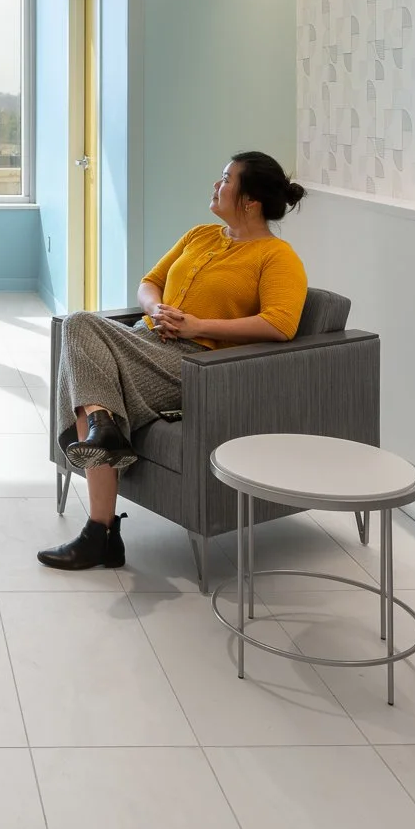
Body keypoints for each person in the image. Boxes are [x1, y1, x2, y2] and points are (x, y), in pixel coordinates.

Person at [38, 151, 309, 571]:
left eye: (225, 179)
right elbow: (151, 282)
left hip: (196, 365)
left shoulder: (277, 257)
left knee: (78, 324)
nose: (215, 186)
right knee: (84, 347)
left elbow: (280, 325)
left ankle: (101, 523)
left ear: (250, 200)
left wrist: (196, 325)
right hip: (146, 341)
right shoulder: (200, 235)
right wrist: (159, 309)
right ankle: (101, 440)